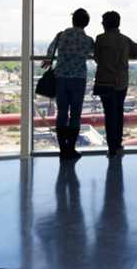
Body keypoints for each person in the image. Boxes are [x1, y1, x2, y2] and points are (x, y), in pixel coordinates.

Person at [41, 8, 95, 160]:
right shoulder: (88, 40)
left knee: (62, 113)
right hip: (78, 78)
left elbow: (51, 50)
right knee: (76, 114)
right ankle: (71, 148)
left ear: (73, 21)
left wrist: (48, 59)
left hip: (61, 78)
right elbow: (95, 55)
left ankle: (62, 149)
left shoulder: (61, 36)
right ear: (87, 23)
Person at [94, 11, 137, 159]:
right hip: (120, 81)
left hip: (104, 81)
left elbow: (97, 59)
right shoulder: (124, 40)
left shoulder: (100, 39)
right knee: (118, 112)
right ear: (118, 23)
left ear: (104, 24)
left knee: (109, 114)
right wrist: (127, 55)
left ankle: (111, 148)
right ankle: (118, 143)